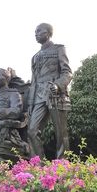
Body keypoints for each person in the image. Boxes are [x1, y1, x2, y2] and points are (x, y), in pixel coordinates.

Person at [27, 23, 72, 159]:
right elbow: (33, 81)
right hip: (38, 96)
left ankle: (62, 164)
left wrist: (58, 85)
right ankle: (40, 164)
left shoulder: (59, 49)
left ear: (48, 33)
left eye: (39, 31)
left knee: (60, 132)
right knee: (32, 131)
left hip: (55, 94)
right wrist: (30, 103)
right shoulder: (34, 57)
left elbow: (67, 72)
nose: (36, 34)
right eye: (35, 31)